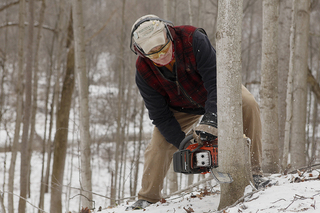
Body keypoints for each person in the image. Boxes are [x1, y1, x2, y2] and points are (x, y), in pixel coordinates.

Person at [126, 14, 266, 210]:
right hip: (180, 107)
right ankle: (148, 197)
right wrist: (184, 143)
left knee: (248, 103)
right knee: (158, 145)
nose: (161, 55)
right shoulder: (143, 70)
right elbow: (160, 116)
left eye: (163, 48)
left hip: (216, 91)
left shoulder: (192, 39)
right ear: (142, 52)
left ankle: (255, 172)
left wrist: (212, 119)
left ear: (169, 35)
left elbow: (217, 83)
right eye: (154, 54)